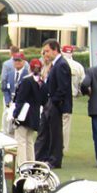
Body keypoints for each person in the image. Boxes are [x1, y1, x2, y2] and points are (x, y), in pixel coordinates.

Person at [34, 40, 70, 169]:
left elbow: (63, 87)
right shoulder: (55, 65)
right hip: (50, 102)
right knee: (44, 131)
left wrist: (54, 101)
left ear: (55, 50)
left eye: (48, 51)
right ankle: (40, 157)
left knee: (55, 133)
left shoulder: (61, 65)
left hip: (55, 104)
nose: (46, 54)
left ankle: (54, 159)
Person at [10, 57, 44, 165]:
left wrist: (15, 115)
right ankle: (31, 163)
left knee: (21, 141)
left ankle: (22, 165)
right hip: (35, 115)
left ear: (30, 68)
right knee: (29, 141)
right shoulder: (41, 83)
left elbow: (20, 99)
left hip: (24, 115)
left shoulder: (26, 81)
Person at [60, 43, 84, 151]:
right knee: (66, 123)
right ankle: (63, 147)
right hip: (71, 97)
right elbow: (83, 84)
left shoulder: (57, 64)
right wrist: (78, 93)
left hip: (56, 97)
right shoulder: (78, 66)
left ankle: (54, 146)